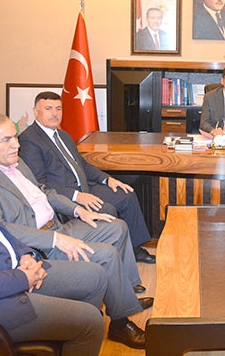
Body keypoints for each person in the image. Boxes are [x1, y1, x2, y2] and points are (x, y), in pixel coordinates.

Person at [0, 113, 153, 349]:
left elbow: (44, 192)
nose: (16, 145)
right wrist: (54, 238)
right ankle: (120, 323)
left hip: (58, 226)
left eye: (15, 137)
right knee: (107, 255)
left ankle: (123, 297)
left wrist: (78, 211)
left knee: (116, 227)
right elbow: (1, 229)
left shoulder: (15, 162)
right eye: (7, 140)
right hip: (39, 245)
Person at [0, 115, 107, 355]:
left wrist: (25, 255)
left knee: (95, 276)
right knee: (89, 322)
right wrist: (20, 279)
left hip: (10, 271)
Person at [18, 91, 155, 264]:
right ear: (36, 111)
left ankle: (134, 249)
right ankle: (112, 260)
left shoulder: (63, 135)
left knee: (126, 195)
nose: (54, 114)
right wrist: (77, 196)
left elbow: (82, 165)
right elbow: (39, 184)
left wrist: (108, 179)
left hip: (85, 187)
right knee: (107, 210)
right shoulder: (29, 139)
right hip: (66, 196)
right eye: (48, 109)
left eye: (58, 109)